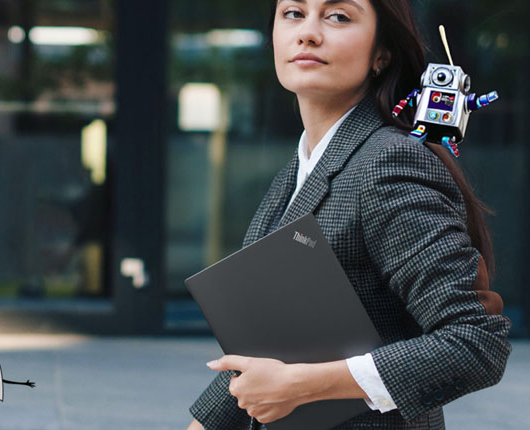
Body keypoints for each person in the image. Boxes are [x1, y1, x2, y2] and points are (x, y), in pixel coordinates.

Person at [186, 0, 511, 429]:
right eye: (293, 14)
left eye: (338, 16)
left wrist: (302, 385)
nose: (308, 33)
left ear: (382, 53)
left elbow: (475, 342)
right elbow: (262, 350)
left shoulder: (388, 163)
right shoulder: (299, 170)